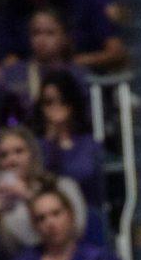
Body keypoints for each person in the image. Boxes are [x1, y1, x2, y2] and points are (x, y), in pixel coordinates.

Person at [0, 123, 88, 260]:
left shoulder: (64, 186)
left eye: (19, 152)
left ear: (32, 154)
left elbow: (77, 229)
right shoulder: (0, 203)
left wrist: (27, 195)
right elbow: (4, 255)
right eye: (3, 155)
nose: (11, 160)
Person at [32, 68, 104, 209]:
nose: (56, 107)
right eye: (49, 102)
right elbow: (40, 182)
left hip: (89, 213)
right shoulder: (36, 147)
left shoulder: (90, 145)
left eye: (62, 100)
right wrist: (51, 140)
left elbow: (95, 185)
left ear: (72, 103)